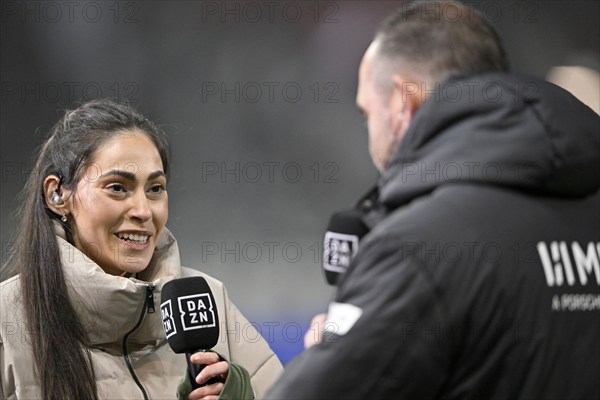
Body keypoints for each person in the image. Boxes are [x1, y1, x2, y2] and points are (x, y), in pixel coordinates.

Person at [267, 1, 600, 399]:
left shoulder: (418, 248)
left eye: (366, 114)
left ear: (403, 105)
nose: (369, 133)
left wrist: (329, 352)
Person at [0, 99, 283, 400]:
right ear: (57, 195)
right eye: (118, 188)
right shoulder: (6, 322)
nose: (144, 211)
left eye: (155, 189)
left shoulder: (209, 301)